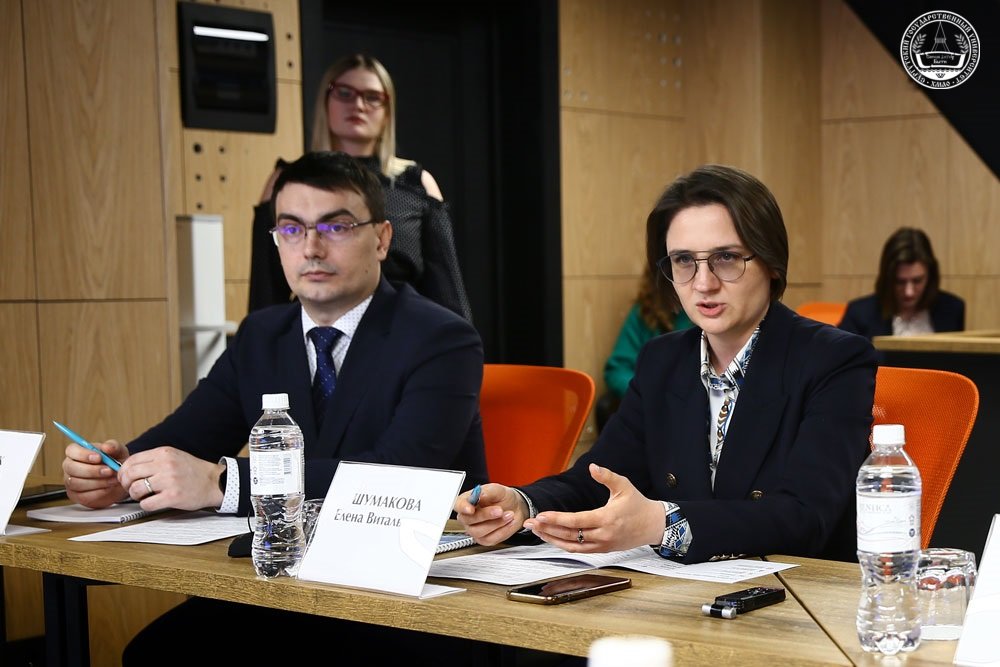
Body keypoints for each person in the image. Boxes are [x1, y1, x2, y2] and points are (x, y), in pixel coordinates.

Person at [61, 152, 488, 663]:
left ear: (381, 239)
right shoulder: (261, 335)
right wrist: (120, 469)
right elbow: (189, 436)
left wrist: (223, 482)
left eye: (336, 227)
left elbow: (398, 476)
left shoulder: (442, 338)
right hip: (285, 581)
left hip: (406, 594)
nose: (311, 247)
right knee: (156, 654)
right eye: (291, 228)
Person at [456, 164, 878, 565]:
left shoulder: (834, 359)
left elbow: (805, 516)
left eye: (727, 257)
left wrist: (663, 523)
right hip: (683, 591)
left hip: (800, 595)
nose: (703, 283)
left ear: (770, 261)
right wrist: (522, 504)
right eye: (683, 261)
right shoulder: (663, 359)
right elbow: (597, 478)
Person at [249, 53, 472, 321]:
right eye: (344, 93)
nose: (358, 105)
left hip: (405, 330)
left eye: (372, 97)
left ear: (387, 111)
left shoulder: (416, 183)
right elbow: (265, 292)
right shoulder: (287, 182)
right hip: (318, 332)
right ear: (325, 101)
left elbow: (447, 294)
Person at [596, 263, 694, 431]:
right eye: (678, 261)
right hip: (652, 409)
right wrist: (650, 395)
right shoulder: (645, 311)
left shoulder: (709, 314)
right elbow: (617, 369)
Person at [838, 226, 965, 339]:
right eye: (900, 282)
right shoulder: (859, 314)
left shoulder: (952, 309)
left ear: (930, 276)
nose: (909, 292)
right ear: (888, 279)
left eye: (917, 281)